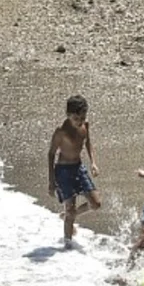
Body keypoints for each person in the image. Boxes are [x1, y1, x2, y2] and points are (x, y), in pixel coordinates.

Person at [46, 95, 103, 248]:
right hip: (63, 171)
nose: (80, 121)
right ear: (68, 115)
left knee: (96, 203)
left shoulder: (85, 125)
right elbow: (51, 154)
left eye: (83, 117)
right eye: (76, 118)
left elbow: (88, 142)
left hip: (79, 168)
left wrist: (93, 163)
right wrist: (51, 181)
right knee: (70, 208)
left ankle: (68, 216)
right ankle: (67, 245)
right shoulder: (61, 132)